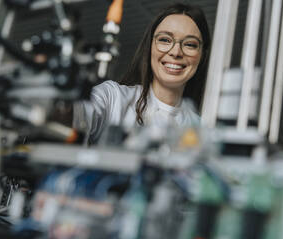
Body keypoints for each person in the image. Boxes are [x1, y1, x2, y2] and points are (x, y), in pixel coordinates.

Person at [73, 3, 211, 144]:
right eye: (164, 40)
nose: (176, 52)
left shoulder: (202, 130)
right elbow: (73, 122)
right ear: (150, 46)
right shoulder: (112, 97)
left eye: (190, 44)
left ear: (201, 55)